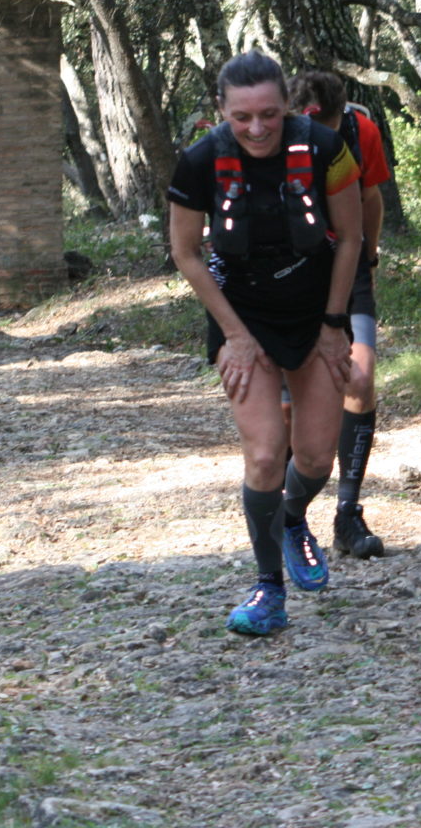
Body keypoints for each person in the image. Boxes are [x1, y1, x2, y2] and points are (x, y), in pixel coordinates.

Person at [167, 50, 362, 636]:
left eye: (270, 115)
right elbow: (185, 253)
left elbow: (352, 239)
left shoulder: (326, 149)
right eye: (243, 117)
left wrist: (334, 324)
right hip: (242, 313)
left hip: (315, 309)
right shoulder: (199, 161)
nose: (257, 128)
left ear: (288, 108)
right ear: (221, 111)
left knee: (317, 457)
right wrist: (234, 335)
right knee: (264, 454)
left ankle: (292, 515)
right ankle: (268, 587)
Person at [286, 70, 392, 559]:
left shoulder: (360, 131)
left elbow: (370, 198)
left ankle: (348, 512)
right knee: (288, 405)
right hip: (290, 272)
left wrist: (369, 258)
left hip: (350, 267)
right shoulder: (273, 138)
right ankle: (289, 515)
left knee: (361, 379)